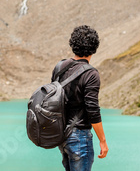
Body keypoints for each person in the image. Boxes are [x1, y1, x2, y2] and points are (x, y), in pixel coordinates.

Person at [51, 25, 108, 171]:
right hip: (79, 137)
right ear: (94, 47)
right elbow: (92, 110)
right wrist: (102, 140)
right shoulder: (91, 74)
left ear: (73, 44)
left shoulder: (60, 67)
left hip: (62, 136)